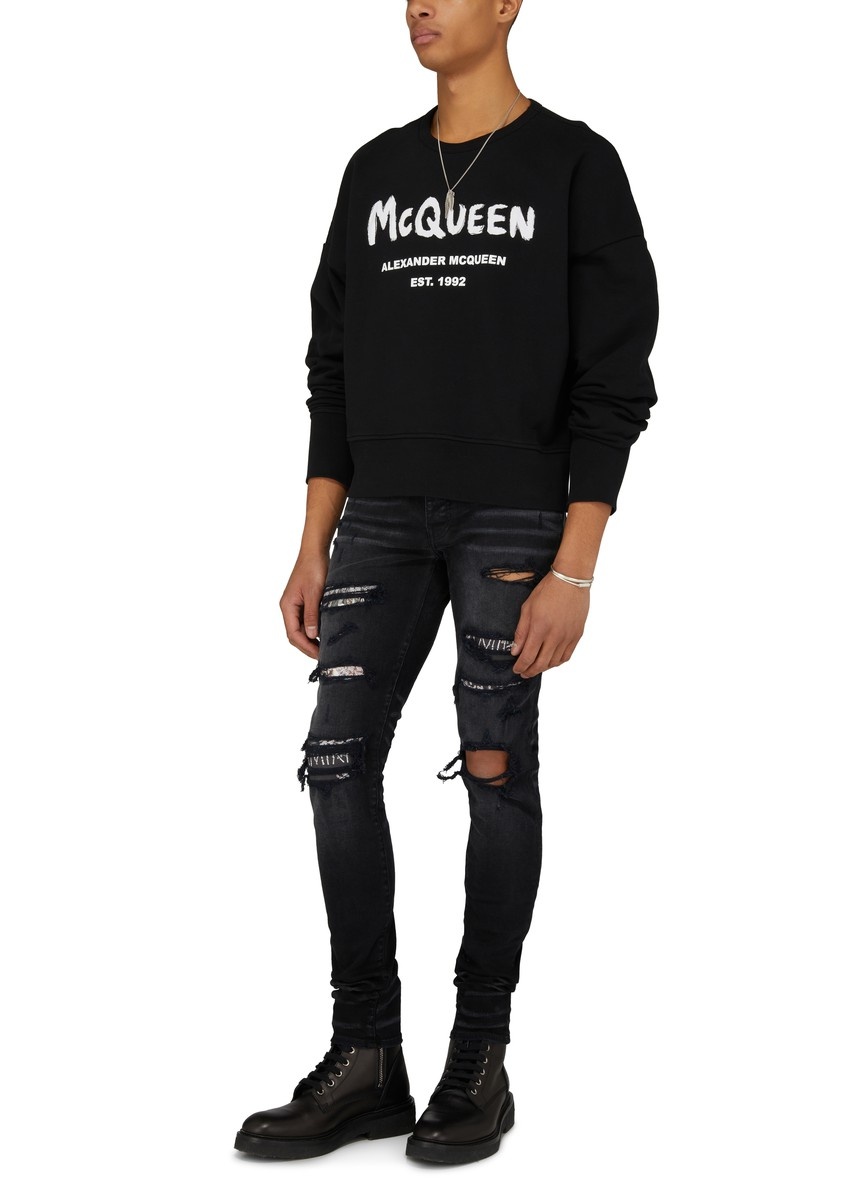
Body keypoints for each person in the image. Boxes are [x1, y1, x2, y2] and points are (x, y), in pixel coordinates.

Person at [234, 0, 659, 1166]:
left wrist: (575, 563)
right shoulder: (373, 172)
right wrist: (314, 540)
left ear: (508, 2)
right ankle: (367, 1056)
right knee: (334, 764)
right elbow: (331, 365)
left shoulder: (574, 165)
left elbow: (615, 373)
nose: (419, 4)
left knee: (493, 769)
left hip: (514, 517)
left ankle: (479, 1057)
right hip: (376, 517)